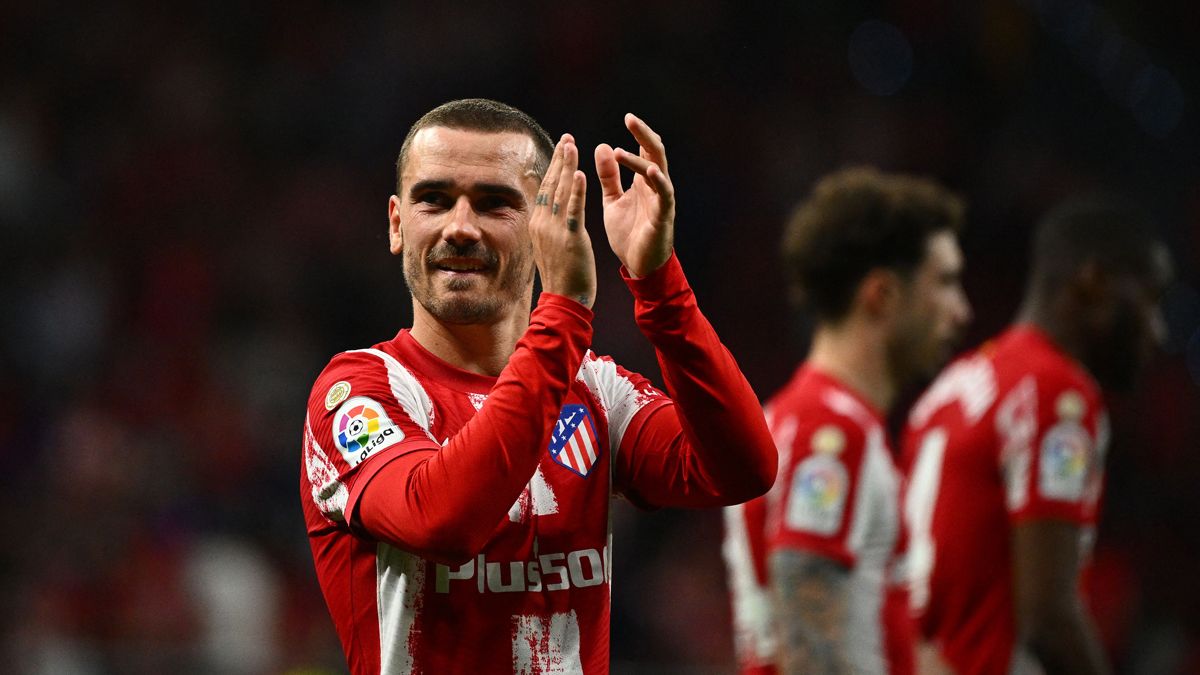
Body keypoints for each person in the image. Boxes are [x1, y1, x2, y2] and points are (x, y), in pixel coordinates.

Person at [299, 98, 776, 675]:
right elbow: (442, 520)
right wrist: (565, 312)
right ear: (398, 223)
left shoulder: (595, 390)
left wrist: (659, 287)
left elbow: (743, 468)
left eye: (495, 203)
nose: (460, 227)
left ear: (548, 224)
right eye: (434, 199)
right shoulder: (359, 391)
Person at [901, 197, 1173, 674]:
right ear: (1092, 284)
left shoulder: (953, 389)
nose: (1157, 330)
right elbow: (1048, 619)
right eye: (1148, 300)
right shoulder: (1056, 393)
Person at [723, 168, 972, 674]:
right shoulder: (829, 433)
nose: (961, 310)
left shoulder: (813, 418)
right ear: (881, 295)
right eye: (944, 282)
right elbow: (809, 641)